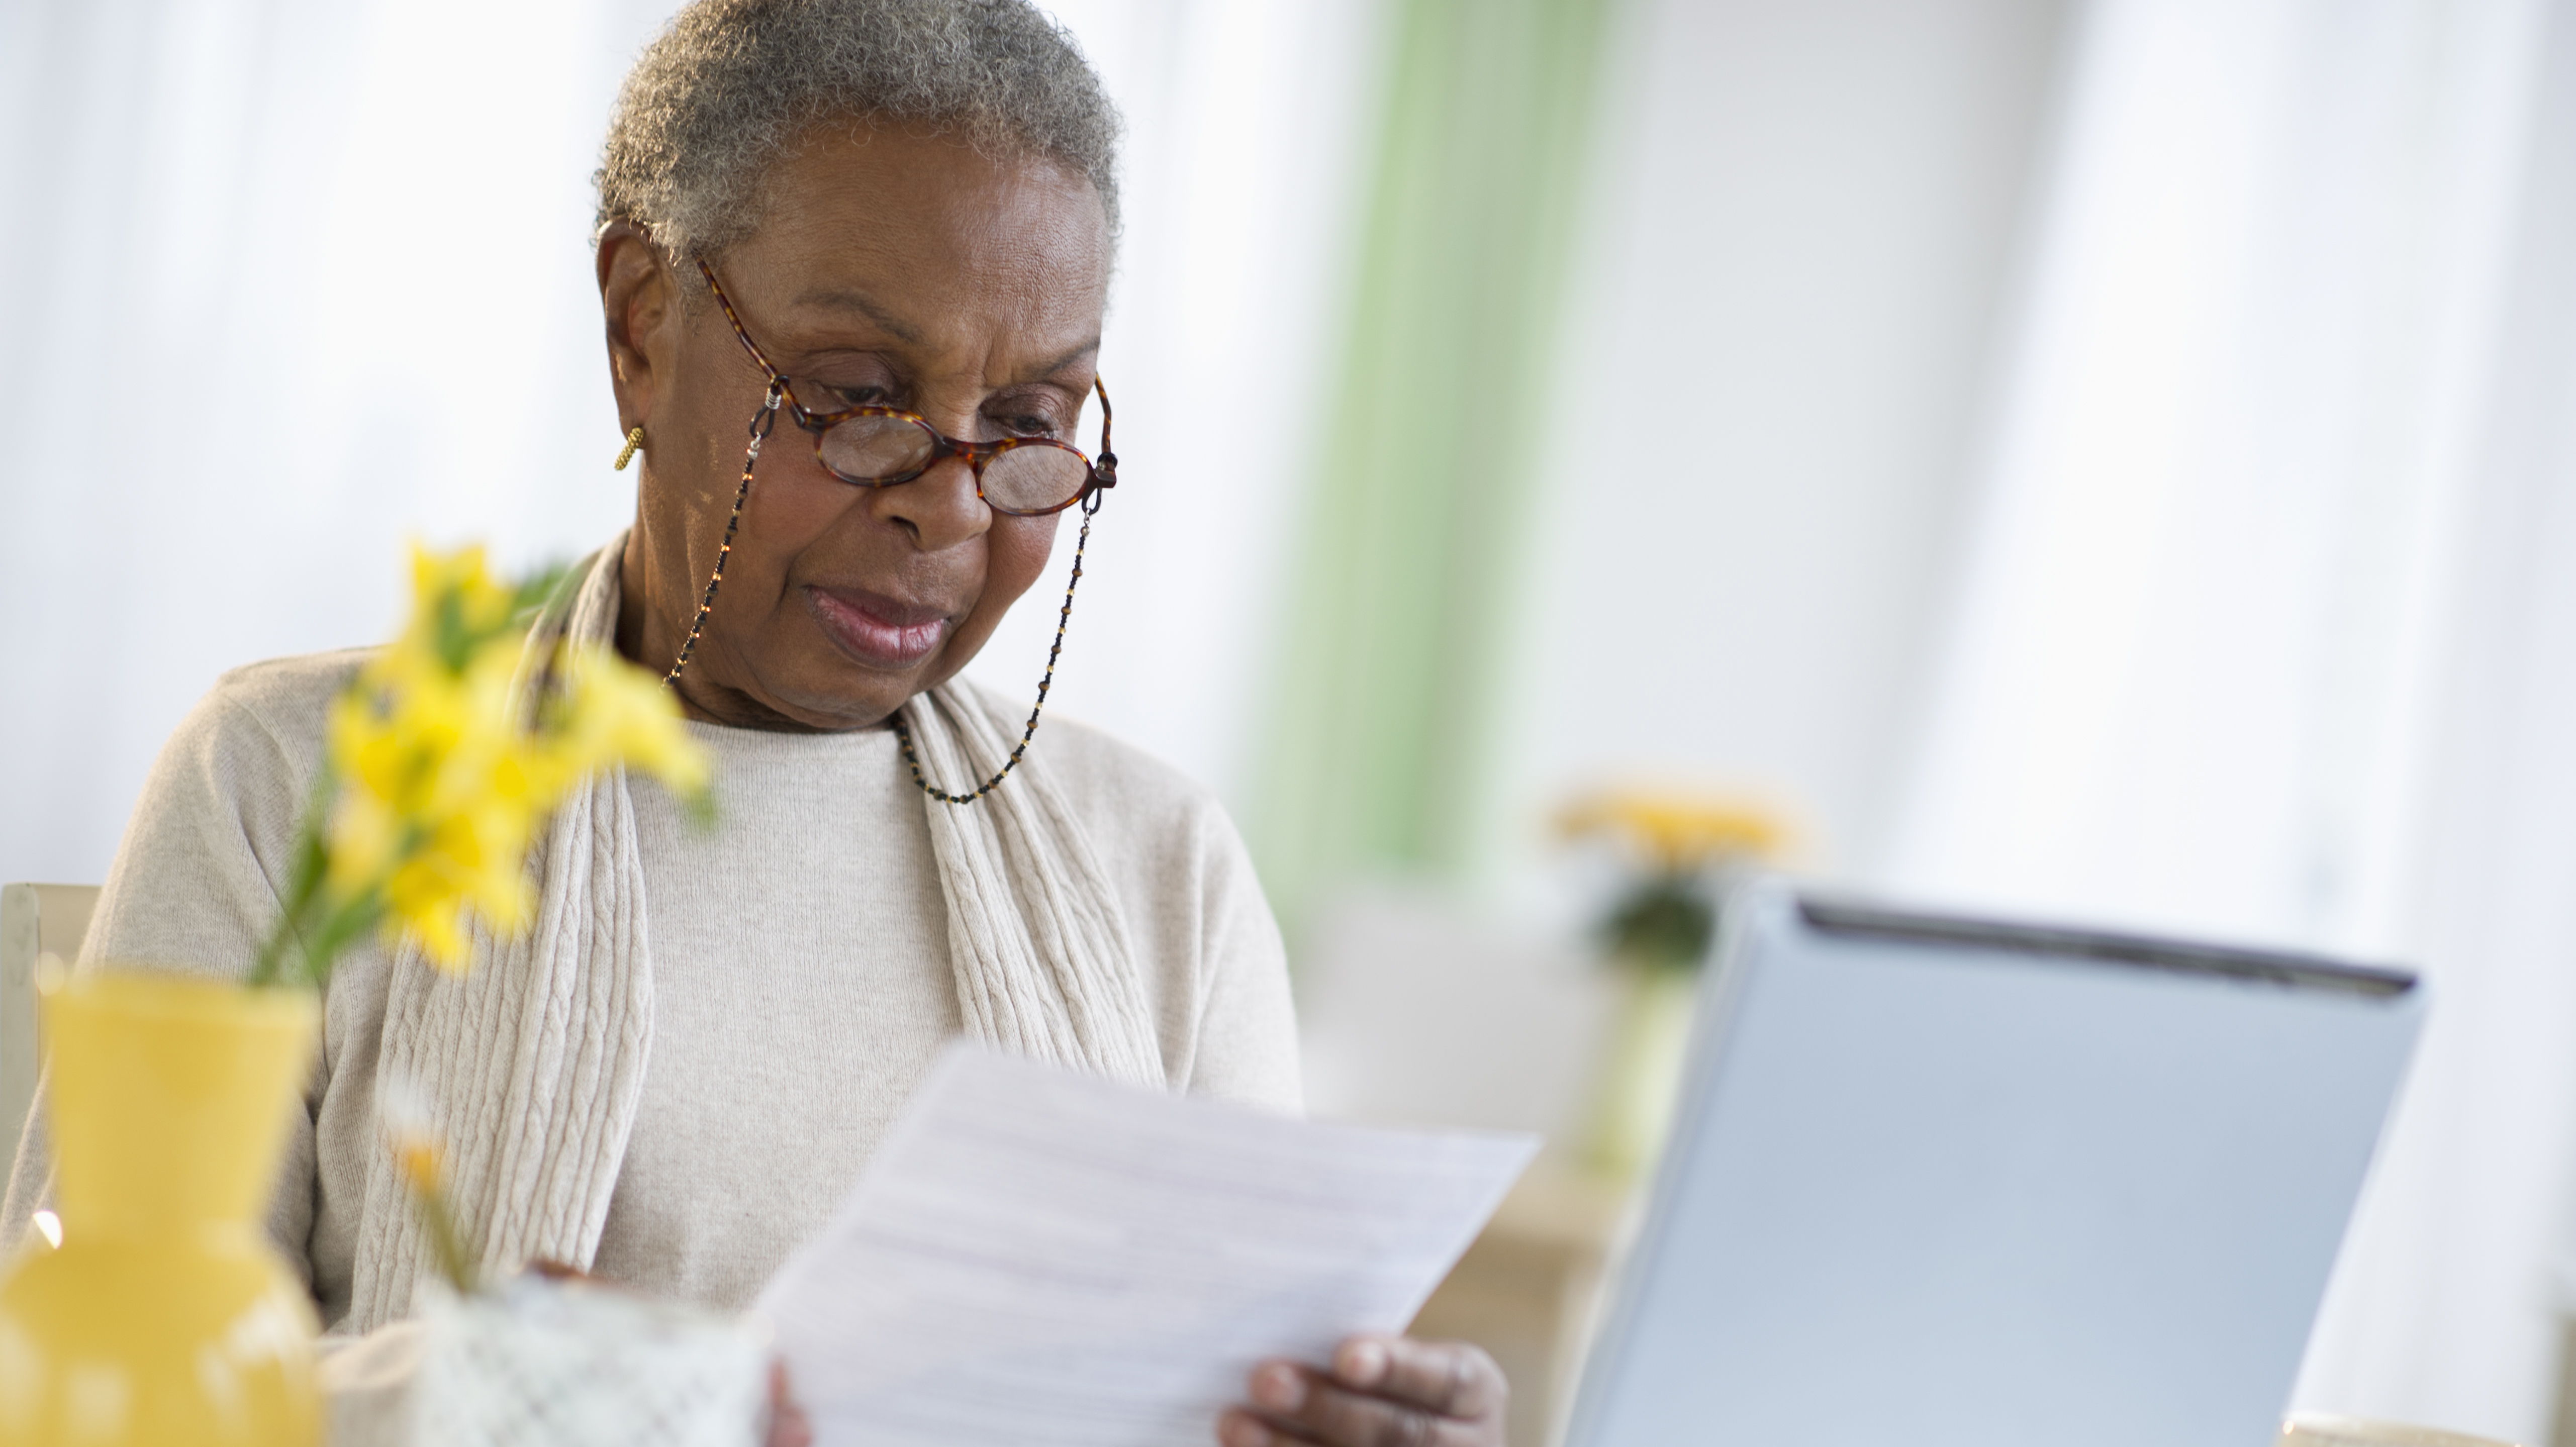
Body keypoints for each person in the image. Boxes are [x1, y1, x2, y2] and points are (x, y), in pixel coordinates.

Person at [0, 3, 1508, 1444]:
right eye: (858, 397)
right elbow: (77, 1391)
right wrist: (493, 1404)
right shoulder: (295, 788)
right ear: (643, 329)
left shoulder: (1162, 872)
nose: (950, 503)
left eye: (1035, 425)